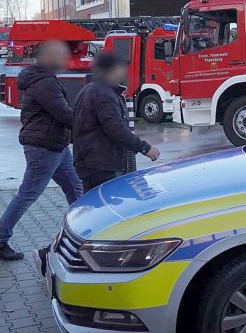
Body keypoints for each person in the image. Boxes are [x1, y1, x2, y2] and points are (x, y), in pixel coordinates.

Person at [0, 41, 83, 261]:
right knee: (28, 194)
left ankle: (86, 233)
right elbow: (63, 114)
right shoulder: (45, 83)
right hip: (44, 148)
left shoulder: (43, 79)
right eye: (60, 55)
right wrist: (90, 123)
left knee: (76, 190)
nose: (65, 60)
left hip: (57, 146)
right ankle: (0, 240)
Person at [73, 52, 160, 192]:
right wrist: (144, 148)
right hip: (101, 165)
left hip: (92, 162)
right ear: (110, 70)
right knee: (103, 206)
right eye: (120, 67)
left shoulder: (93, 90)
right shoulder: (103, 94)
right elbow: (116, 128)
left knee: (95, 205)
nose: (124, 71)